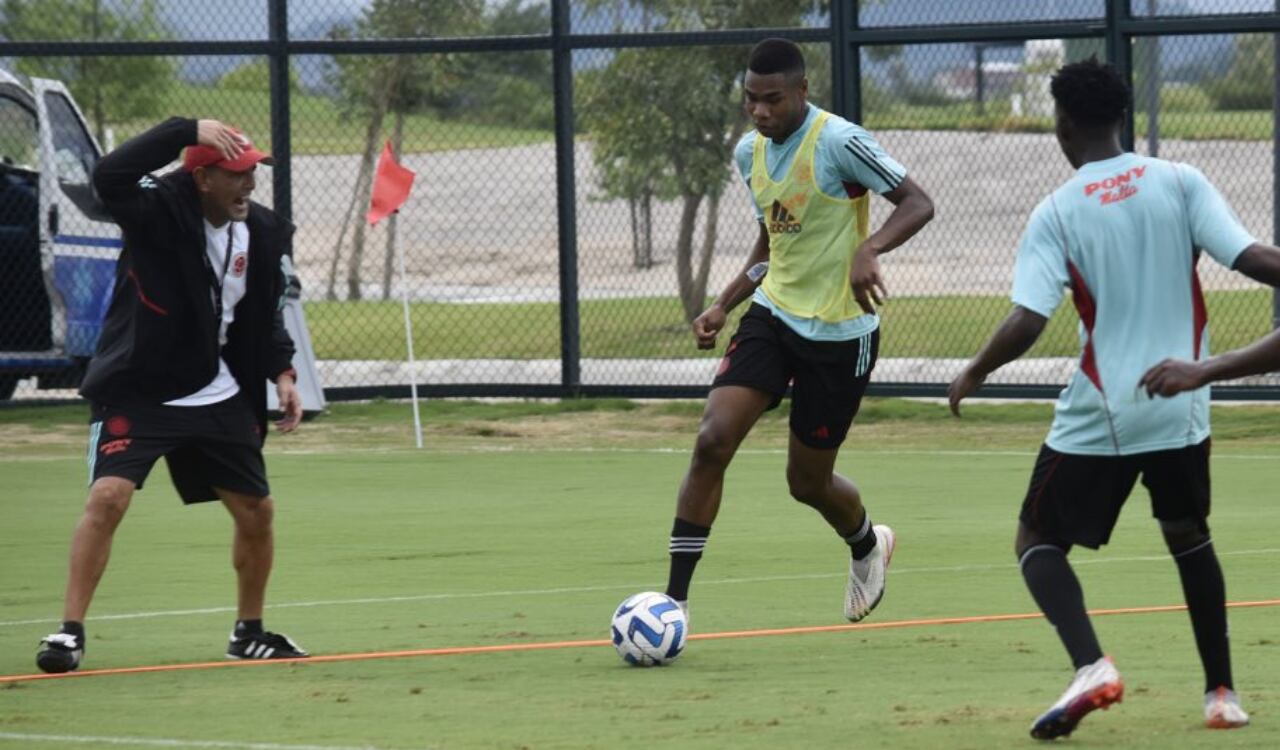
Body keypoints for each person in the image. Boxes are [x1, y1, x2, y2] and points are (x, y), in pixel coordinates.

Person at [948, 57, 1278, 739]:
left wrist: (974, 370)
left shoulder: (1057, 212)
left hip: (1104, 409)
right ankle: (1220, 694)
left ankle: (1091, 664)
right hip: (1184, 402)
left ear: (1063, 126)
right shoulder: (1182, 182)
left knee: (1036, 538)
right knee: (1189, 538)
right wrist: (1202, 368)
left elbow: (1028, 321)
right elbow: (1252, 260)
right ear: (1122, 117)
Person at [663, 38, 934, 628]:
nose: (759, 112)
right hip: (773, 316)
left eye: (773, 100)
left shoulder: (839, 141)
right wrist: (724, 304)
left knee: (806, 483)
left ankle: (866, 543)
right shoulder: (747, 153)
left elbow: (918, 203)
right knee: (712, 440)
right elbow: (772, 241)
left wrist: (871, 247)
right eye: (750, 100)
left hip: (840, 335)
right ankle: (673, 606)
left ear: (802, 92)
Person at [35, 117, 309, 673]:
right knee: (108, 499)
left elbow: (261, 313)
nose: (249, 184)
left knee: (257, 512)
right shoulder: (156, 212)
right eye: (235, 174)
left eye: (253, 171)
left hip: (216, 390)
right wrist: (187, 129)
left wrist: (283, 372)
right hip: (139, 389)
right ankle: (69, 633)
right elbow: (109, 174)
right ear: (202, 177)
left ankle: (248, 632)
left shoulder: (260, 231)